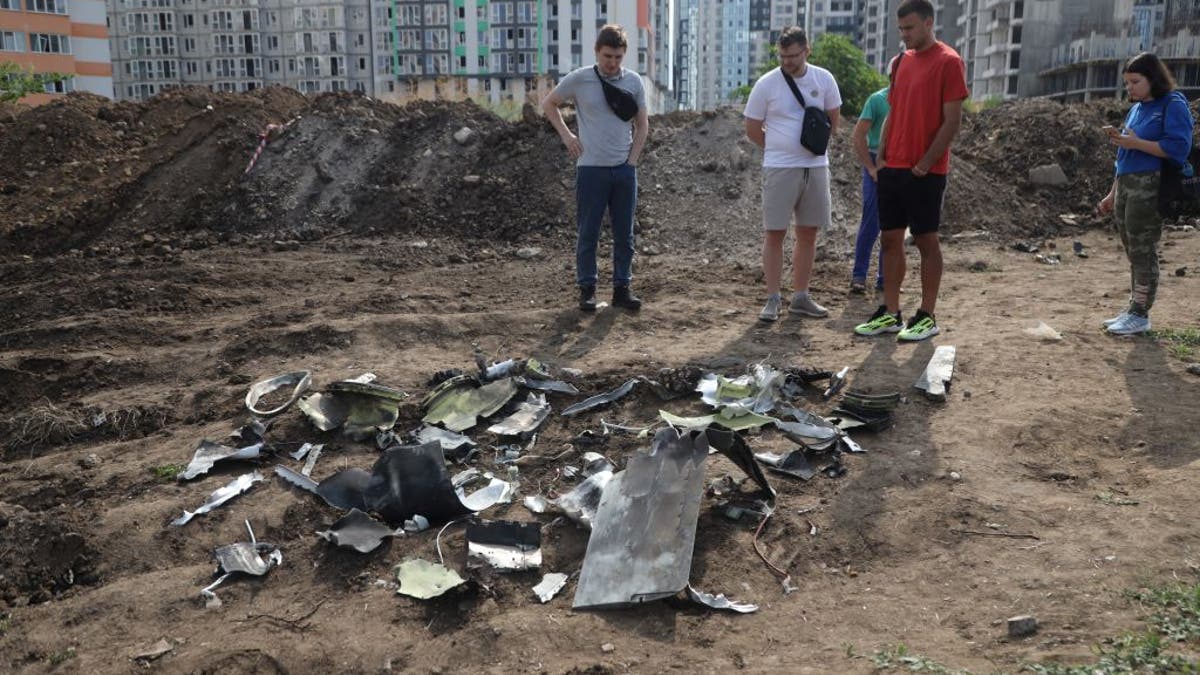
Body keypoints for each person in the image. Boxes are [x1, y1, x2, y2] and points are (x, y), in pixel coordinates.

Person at [853, 0, 968, 341]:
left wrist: (925, 163)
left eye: (910, 28)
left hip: (925, 172)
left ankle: (927, 316)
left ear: (929, 23)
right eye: (900, 29)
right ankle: (890, 313)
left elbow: (952, 122)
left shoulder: (949, 61)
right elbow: (893, 111)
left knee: (925, 240)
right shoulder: (901, 62)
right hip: (893, 168)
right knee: (889, 240)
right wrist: (882, 159)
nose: (904, 36)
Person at [542, 24, 650, 312]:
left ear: (624, 55)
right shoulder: (580, 79)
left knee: (624, 234)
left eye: (618, 57)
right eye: (607, 56)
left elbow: (643, 124)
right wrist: (567, 136)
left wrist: (632, 161)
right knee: (588, 232)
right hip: (591, 169)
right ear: (596, 52)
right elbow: (549, 103)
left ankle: (621, 289)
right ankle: (587, 290)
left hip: (624, 171)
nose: (612, 63)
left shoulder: (634, 82)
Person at [744, 26, 842, 322]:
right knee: (774, 232)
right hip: (778, 167)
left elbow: (833, 121)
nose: (787, 61)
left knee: (808, 232)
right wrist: (777, 149)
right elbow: (752, 127)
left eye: (793, 56)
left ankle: (801, 296)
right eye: (783, 56)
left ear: (807, 51)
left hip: (815, 167)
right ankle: (773, 298)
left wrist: (812, 150)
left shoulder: (823, 79)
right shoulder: (767, 84)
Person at [1096, 52, 1193, 335]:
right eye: (1127, 83)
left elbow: (1177, 148)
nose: (1130, 88)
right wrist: (1112, 193)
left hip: (1150, 184)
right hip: (1127, 183)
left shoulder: (1172, 104)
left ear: (1153, 78)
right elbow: (1123, 156)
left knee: (1142, 248)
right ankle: (1133, 308)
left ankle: (1140, 314)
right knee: (1132, 249)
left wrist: (1136, 142)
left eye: (1135, 82)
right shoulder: (1136, 109)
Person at [850, 83, 889, 293]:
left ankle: (886, 278)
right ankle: (859, 275)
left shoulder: (913, 99)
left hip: (900, 161)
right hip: (876, 159)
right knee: (871, 221)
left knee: (893, 225)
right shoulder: (877, 100)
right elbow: (858, 135)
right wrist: (871, 167)